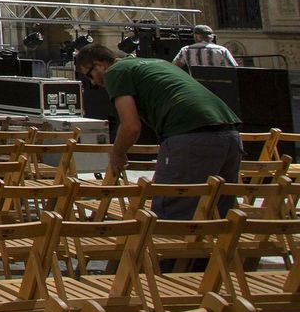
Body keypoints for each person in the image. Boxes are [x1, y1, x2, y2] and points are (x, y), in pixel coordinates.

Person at [73, 44, 240, 219]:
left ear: (100, 65)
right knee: (220, 217)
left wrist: (117, 153)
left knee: (170, 218)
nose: (93, 82)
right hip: (230, 133)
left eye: (89, 75)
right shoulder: (158, 63)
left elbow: (130, 126)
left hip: (188, 136)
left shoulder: (116, 72)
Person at [172, 24, 239, 70]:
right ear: (211, 37)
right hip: (218, 86)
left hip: (197, 86)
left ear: (195, 36)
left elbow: (174, 67)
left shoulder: (186, 50)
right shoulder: (222, 50)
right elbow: (234, 69)